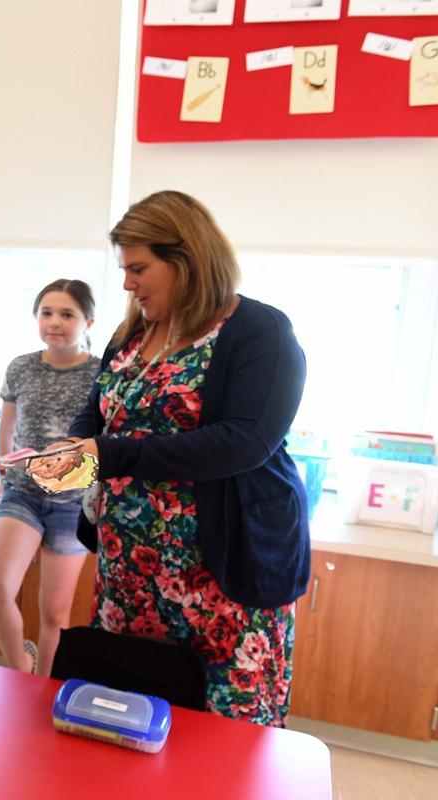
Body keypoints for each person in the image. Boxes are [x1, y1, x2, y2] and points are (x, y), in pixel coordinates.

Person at [53, 190, 310, 726]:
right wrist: (67, 455)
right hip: (132, 570)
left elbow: (242, 442)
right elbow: (100, 413)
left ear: (187, 259)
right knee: (130, 716)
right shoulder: (133, 334)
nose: (127, 283)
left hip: (222, 574)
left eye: (139, 268)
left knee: (222, 738)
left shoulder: (259, 333)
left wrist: (107, 454)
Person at [0, 280, 100, 676]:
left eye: (67, 314)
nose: (54, 322)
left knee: (54, 613)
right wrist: (3, 476)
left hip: (73, 501)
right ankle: (20, 667)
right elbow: (8, 426)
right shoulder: (21, 367)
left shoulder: (101, 373)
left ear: (89, 321)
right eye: (46, 313)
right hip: (23, 493)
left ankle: (42, 688)